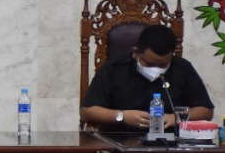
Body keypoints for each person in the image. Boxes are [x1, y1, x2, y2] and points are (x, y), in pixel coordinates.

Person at [80, 23, 213, 131]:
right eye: (149, 64)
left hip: (170, 143)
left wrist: (176, 118)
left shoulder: (182, 69)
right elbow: (87, 112)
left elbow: (206, 111)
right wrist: (122, 116)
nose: (156, 69)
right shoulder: (114, 69)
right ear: (135, 53)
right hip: (121, 142)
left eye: (163, 65)